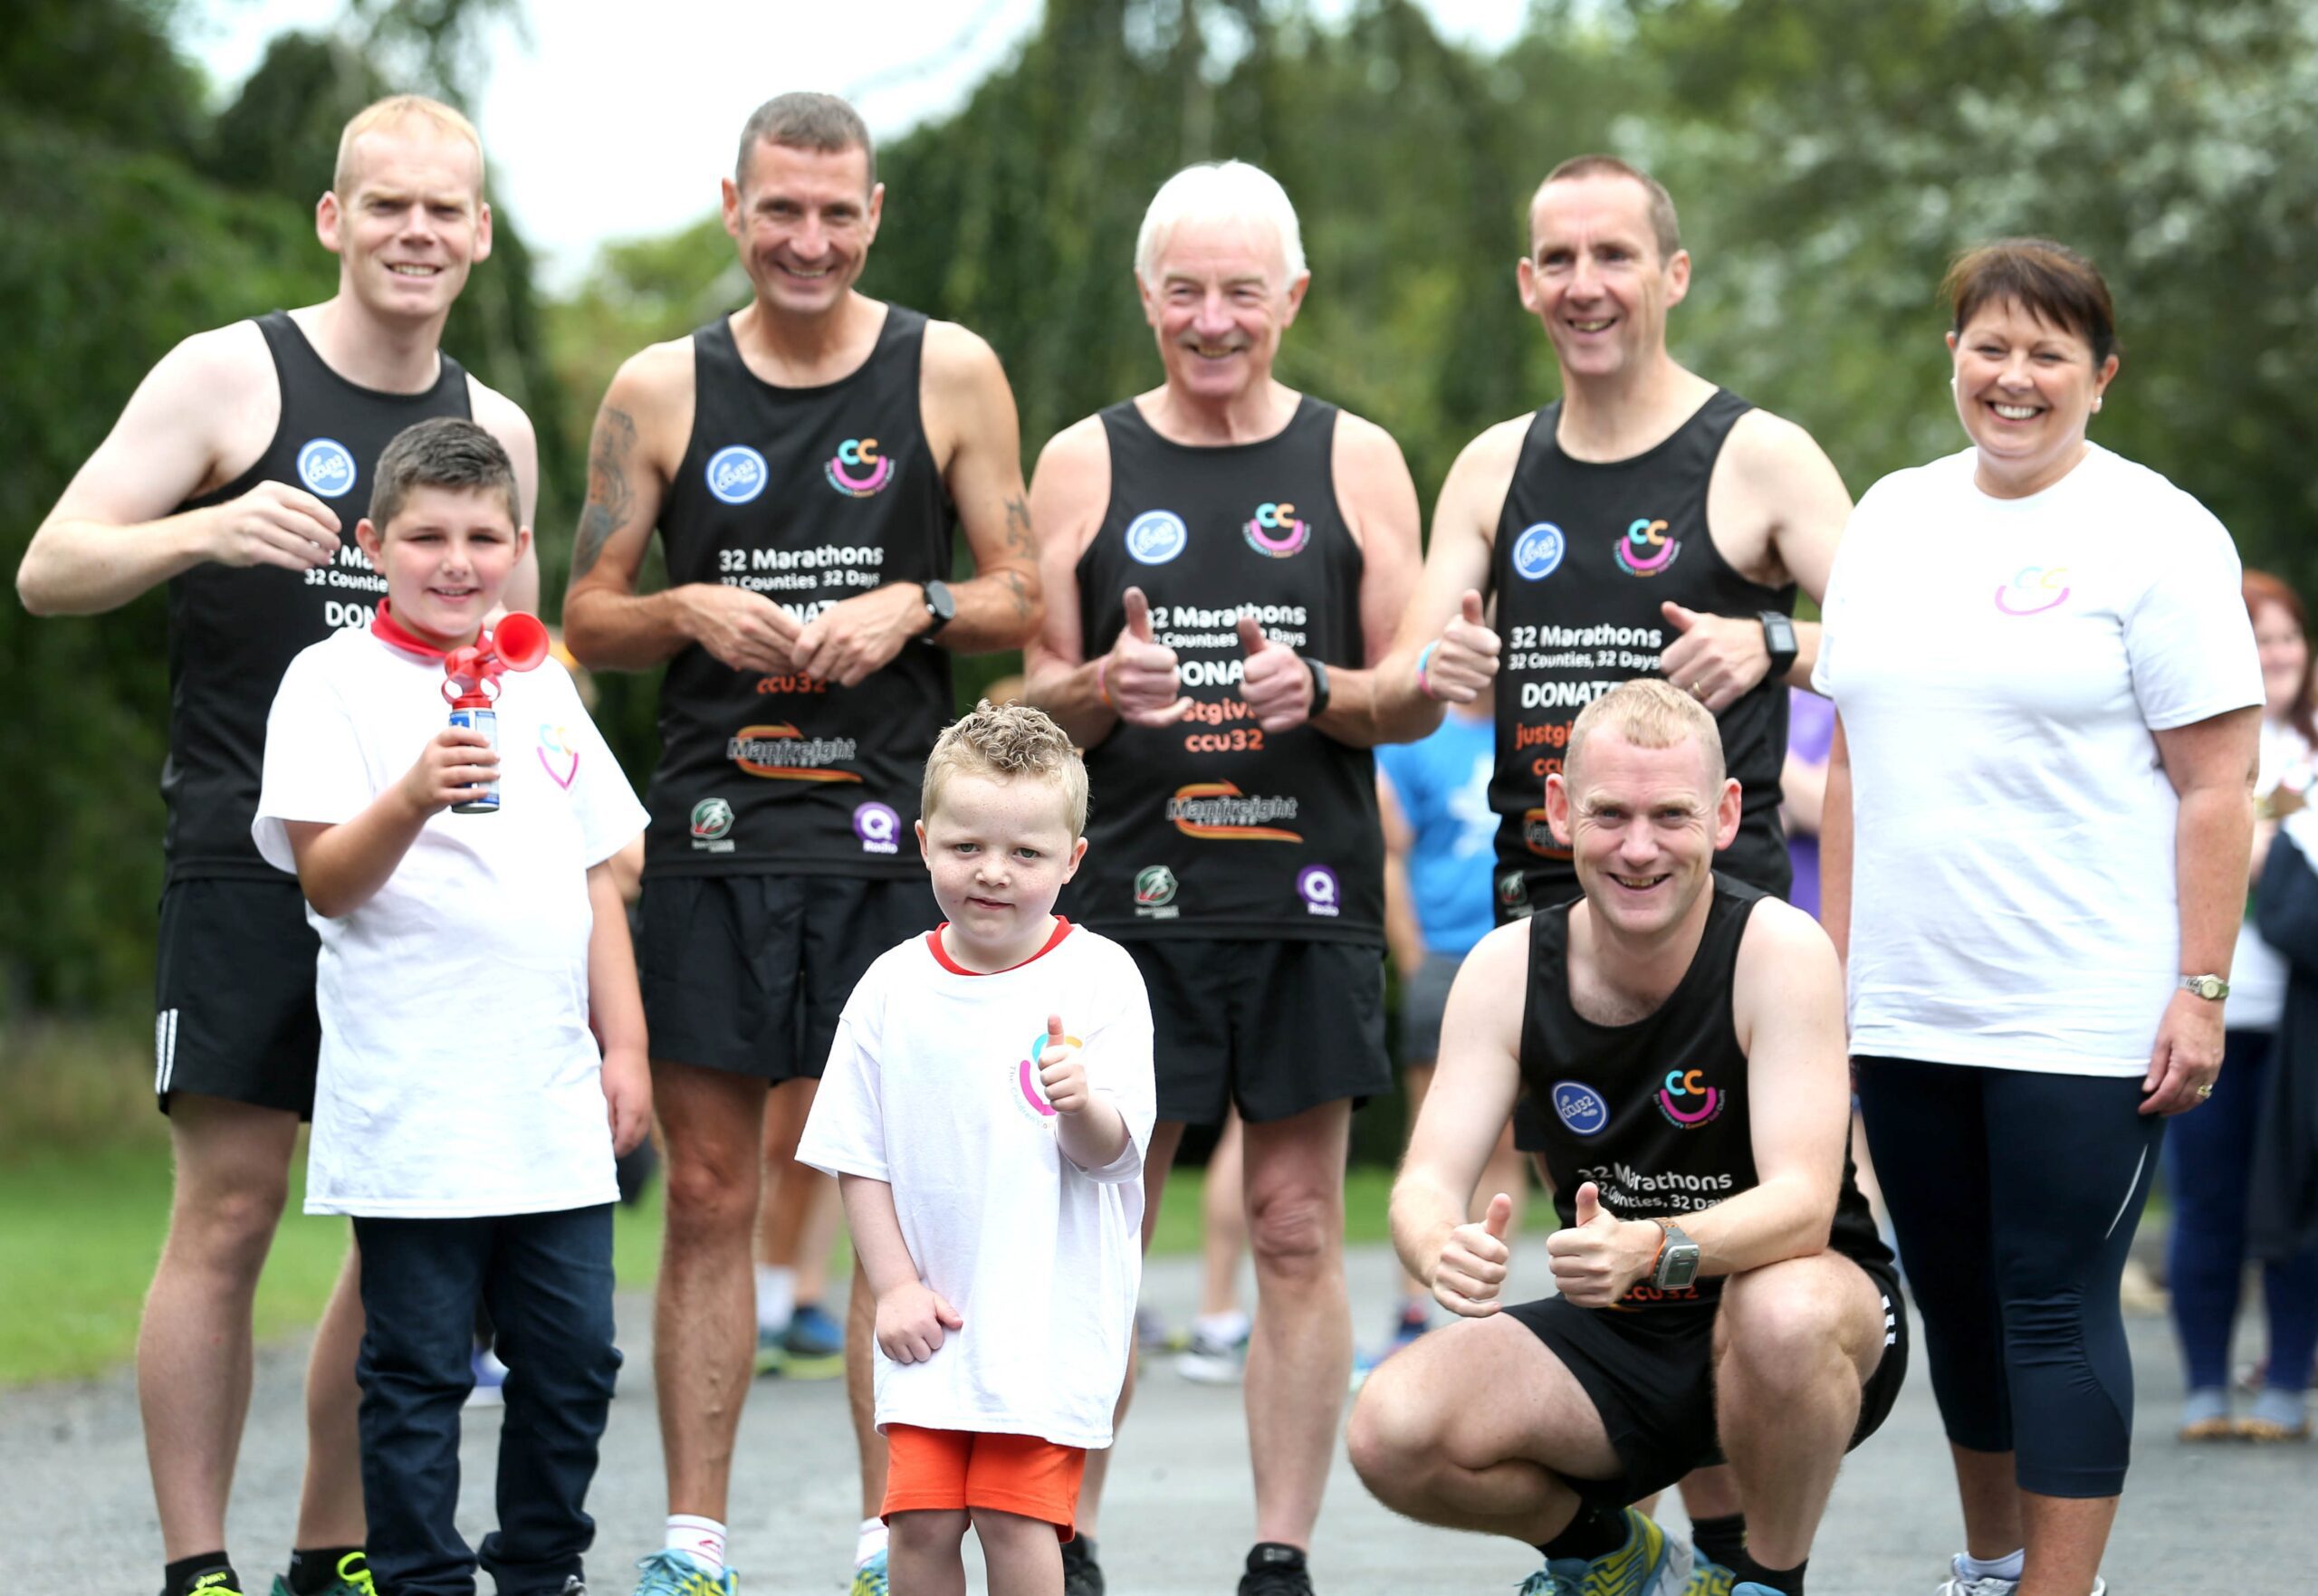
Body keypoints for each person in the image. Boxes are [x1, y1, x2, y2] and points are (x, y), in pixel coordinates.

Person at [14, 94, 539, 1596]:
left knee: (410, 1232)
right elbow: (51, 565)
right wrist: (204, 528)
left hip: (431, 875)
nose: (417, 232)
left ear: (481, 234)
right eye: (387, 206)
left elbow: (513, 647)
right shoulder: (229, 374)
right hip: (246, 859)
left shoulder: (492, 428)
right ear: (335, 218)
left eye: (446, 210)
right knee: (231, 1206)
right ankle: (198, 1564)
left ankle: (331, 1544)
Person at [559, 91, 1042, 1596]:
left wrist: (921, 605)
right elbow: (582, 613)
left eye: (837, 214)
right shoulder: (660, 385)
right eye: (782, 211)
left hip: (894, 844)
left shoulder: (948, 369)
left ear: (874, 214)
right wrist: (684, 609)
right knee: (707, 1191)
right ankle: (693, 1538)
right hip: (712, 828)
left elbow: (1024, 590)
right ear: (734, 207)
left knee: (878, 1193)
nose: (810, 241)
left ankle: (880, 1529)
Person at [1365, 153, 1853, 1588]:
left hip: (1727, 932)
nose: (1586, 284)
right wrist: (1428, 666)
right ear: (1527, 282)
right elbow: (1398, 679)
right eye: (1557, 259)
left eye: (1615, 256)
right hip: (1547, 929)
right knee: (1614, 1232)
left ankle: (1745, 1562)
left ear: (1671, 274)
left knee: (1733, 1254)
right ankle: (1668, 1558)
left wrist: (1775, 641)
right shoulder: (1491, 465)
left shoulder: (1755, 455)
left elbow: (1910, 635)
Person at [1817, 239, 2263, 1596]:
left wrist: (2199, 982)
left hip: (2084, 1010)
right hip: (1909, 1003)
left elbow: (2218, 781)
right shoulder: (1890, 516)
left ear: (2100, 378)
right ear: (1951, 355)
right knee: (1956, 1305)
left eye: (2048, 354)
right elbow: (1849, 766)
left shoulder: (2162, 534)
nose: (2015, 377)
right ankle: (1989, 1563)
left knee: (2050, 1305)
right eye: (1991, 346)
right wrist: (1828, 982)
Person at [1023, 158, 1422, 1596]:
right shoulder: (1080, 460)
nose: (1211, 320)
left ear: (1290, 299)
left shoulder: (1356, 458)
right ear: (1147, 297)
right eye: (1184, 291)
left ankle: (1280, 1551)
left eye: (1240, 291)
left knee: (1297, 1226)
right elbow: (1027, 710)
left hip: (1303, 900)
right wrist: (1095, 681)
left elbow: (1414, 692)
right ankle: (1062, 1536)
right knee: (1105, 1227)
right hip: (1124, 911)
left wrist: (1317, 685)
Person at [1347, 680, 1903, 1596]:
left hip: (1808, 1307)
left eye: (1669, 815)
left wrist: (1650, 1246)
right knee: (1390, 1427)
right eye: (1609, 813)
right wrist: (1436, 1245)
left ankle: (1769, 1579)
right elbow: (1423, 1180)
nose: (1638, 847)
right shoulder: (1504, 966)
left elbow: (1804, 1205)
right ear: (1560, 811)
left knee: (1781, 1313)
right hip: (1626, 1327)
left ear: (1725, 816)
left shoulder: (1780, 949)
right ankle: (1612, 1555)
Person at [252, 417, 647, 1596]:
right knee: (419, 1365)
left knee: (574, 1358)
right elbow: (325, 876)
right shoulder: (330, 680)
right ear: (374, 542)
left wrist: (624, 1043)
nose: (457, 560)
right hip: (414, 1095)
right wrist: (415, 793)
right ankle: (421, 1574)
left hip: (550, 1095)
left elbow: (597, 875)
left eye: (484, 535)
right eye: (426, 535)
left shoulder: (539, 677)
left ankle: (539, 1567)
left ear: (520, 545)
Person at [798, 701, 1155, 1596]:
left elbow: (1114, 1154)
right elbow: (857, 1152)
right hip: (930, 1321)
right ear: (922, 841)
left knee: (1013, 1518)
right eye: (965, 847)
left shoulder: (1100, 976)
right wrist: (892, 1286)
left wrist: (1082, 1104)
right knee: (915, 1524)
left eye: (1026, 853)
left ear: (1071, 860)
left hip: (1041, 1321)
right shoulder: (890, 985)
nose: (992, 873)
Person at [2163, 568, 2318, 1441]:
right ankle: (2206, 1390)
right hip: (2203, 1017)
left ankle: (2288, 1382)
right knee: (2206, 1205)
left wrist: (2267, 853)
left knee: (2300, 1204)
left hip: (2300, 1024)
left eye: (2289, 636)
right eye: (2258, 639)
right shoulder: (2188, 743)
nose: (2277, 653)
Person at [1368, 696, 1528, 1361]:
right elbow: (1390, 854)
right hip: (1442, 958)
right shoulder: (1413, 738)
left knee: (1507, 1148)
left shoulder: (1533, 729)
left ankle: (1478, 1312)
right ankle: (1413, 1311)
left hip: (1520, 952)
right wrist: (1414, 959)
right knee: (1429, 1144)